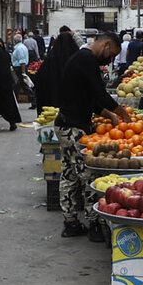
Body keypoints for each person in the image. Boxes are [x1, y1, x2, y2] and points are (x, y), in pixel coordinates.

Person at [55, 32, 130, 241]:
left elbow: (89, 97)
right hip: (73, 128)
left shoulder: (82, 58)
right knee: (87, 174)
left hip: (67, 125)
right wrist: (122, 114)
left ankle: (70, 222)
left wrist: (109, 116)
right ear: (105, 45)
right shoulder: (86, 59)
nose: (111, 60)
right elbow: (99, 94)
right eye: (111, 55)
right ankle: (94, 224)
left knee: (69, 174)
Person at [34, 28, 79, 113]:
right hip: (70, 104)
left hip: (51, 104)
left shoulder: (50, 59)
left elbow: (40, 78)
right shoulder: (75, 57)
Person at [10, 33, 32, 105]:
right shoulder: (22, 47)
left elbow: (22, 61)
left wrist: (23, 72)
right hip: (19, 68)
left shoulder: (19, 48)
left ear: (15, 41)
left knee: (21, 84)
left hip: (19, 68)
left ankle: (33, 99)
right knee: (18, 85)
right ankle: (15, 100)